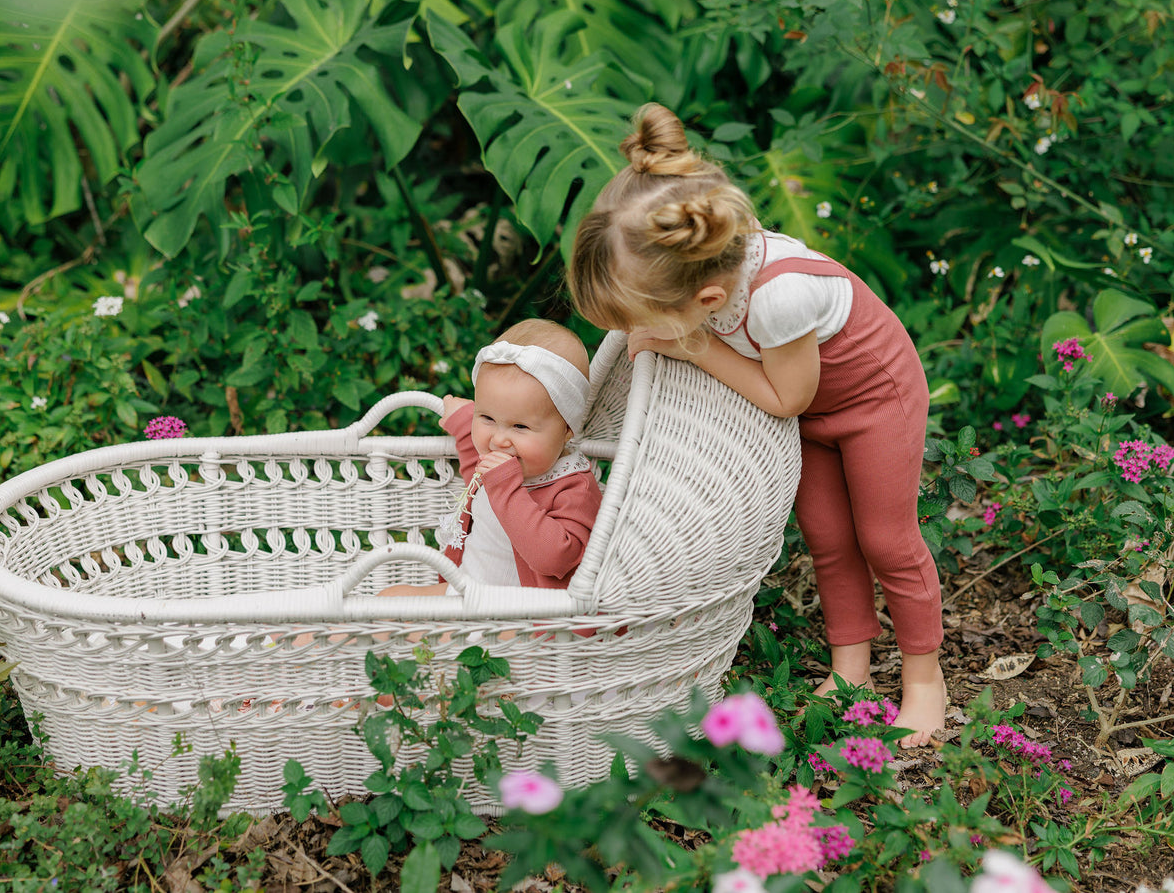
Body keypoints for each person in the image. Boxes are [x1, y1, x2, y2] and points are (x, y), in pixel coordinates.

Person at [566, 103, 947, 747]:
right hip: (818, 405)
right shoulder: (706, 263)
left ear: (708, 301)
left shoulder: (777, 295)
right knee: (826, 535)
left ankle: (925, 679)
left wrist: (691, 347)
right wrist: (657, 332)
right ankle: (851, 664)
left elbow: (786, 398)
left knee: (886, 539)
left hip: (875, 400)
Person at [385, 318, 603, 597]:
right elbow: (473, 463)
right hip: (467, 590)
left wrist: (507, 489)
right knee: (387, 600)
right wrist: (465, 422)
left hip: (523, 617)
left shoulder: (572, 487)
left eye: (520, 426)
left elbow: (555, 559)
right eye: (487, 417)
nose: (498, 440)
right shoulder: (504, 459)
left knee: (392, 626)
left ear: (566, 430)